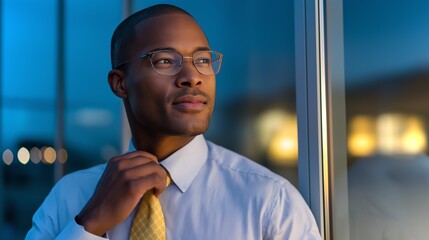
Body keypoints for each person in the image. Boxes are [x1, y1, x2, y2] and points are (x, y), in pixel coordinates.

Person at [26, 4, 321, 240]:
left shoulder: (270, 202)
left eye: (203, 60)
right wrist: (89, 225)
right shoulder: (69, 197)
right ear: (120, 84)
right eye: (165, 60)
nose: (193, 76)